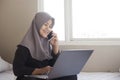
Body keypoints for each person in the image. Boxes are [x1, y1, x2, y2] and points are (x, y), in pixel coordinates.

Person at [13, 12, 77, 80]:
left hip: (43, 78)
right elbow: (17, 70)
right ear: (37, 25)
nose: (48, 29)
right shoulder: (23, 47)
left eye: (50, 26)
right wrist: (41, 70)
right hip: (28, 78)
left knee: (72, 76)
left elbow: (54, 67)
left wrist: (55, 48)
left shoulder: (47, 44)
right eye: (45, 25)